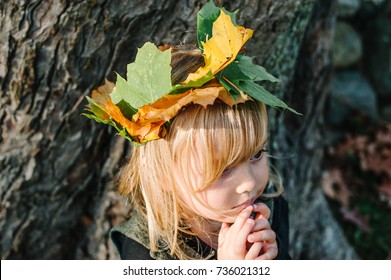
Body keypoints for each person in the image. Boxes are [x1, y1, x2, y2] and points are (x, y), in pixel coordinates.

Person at [84, 1, 296, 260]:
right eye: (224, 170)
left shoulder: (270, 205)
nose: (250, 182)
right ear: (165, 175)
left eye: (256, 154)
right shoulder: (146, 250)